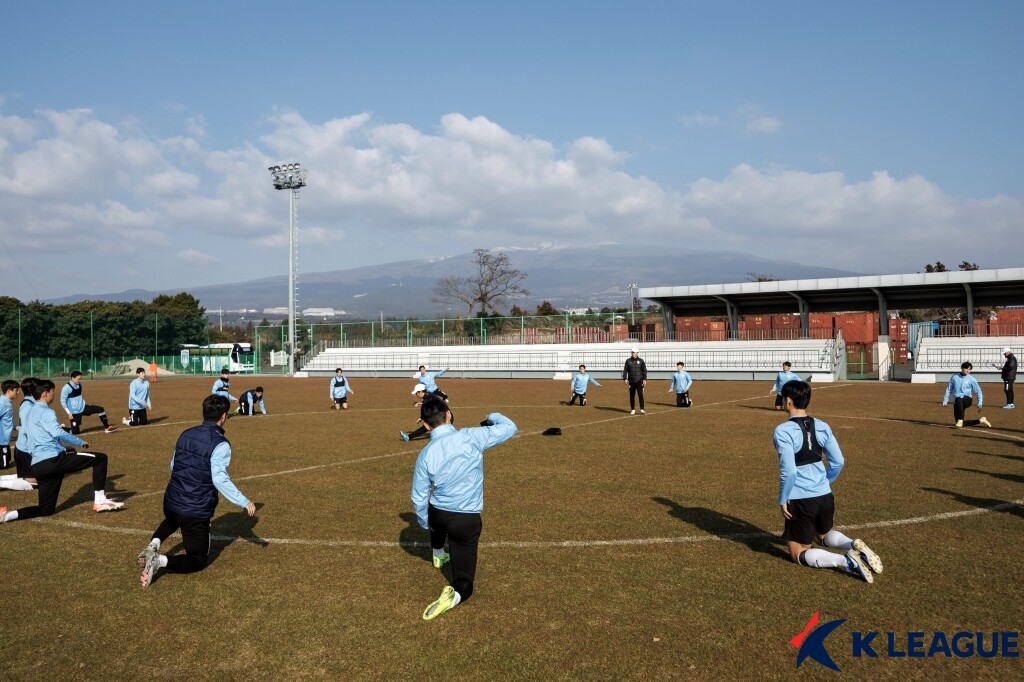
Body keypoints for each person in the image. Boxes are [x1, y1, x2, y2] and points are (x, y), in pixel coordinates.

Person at [411, 396, 517, 620]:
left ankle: (438, 553)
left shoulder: (425, 454)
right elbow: (510, 427)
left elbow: (419, 495)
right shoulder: (471, 436)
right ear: (448, 414)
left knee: (434, 519)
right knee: (465, 581)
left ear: (426, 425)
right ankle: (457, 593)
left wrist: (424, 521)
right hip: (466, 519)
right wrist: (491, 417)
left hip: (438, 514)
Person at [138, 394, 256, 587]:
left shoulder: (186, 433)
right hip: (195, 511)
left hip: (172, 499)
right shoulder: (220, 443)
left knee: (173, 518)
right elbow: (219, 478)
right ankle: (159, 561)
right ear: (224, 416)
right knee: (197, 559)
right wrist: (243, 501)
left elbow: (173, 465)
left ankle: (154, 544)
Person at [774, 380, 882, 583]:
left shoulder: (783, 431)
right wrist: (825, 482)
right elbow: (838, 461)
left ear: (788, 400)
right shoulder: (822, 426)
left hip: (801, 498)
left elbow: (789, 471)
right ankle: (852, 544)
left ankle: (848, 562)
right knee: (822, 535)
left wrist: (783, 499)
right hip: (824, 495)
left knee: (798, 551)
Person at [0, 380, 124, 524]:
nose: (54, 394)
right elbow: (57, 432)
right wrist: (79, 441)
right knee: (100, 458)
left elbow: (33, 435)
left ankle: (6, 516)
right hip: (53, 461)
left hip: (38, 465)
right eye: (53, 391)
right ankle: (100, 501)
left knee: (46, 509)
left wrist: (62, 447)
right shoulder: (46, 411)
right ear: (45, 394)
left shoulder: (30, 412)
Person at [0, 380, 33, 491]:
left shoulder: (7, 401)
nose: (18, 392)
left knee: (7, 461)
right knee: (4, 465)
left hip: (5, 440)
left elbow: (7, 418)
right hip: (2, 440)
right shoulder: (2, 403)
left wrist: (16, 427)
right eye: (16, 390)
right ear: (9, 391)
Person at [942, 362, 991, 429]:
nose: (968, 371)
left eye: (969, 369)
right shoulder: (954, 377)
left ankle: (960, 420)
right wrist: (945, 400)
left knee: (959, 399)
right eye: (966, 369)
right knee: (959, 423)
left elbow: (978, 391)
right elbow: (949, 389)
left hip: (967, 400)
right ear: (962, 368)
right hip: (957, 401)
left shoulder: (971, 379)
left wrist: (980, 403)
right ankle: (981, 420)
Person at [12, 377, 39, 485]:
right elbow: (28, 429)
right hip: (25, 449)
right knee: (34, 482)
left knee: (35, 477)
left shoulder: (32, 403)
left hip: (28, 448)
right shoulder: (27, 406)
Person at [622, 347, 647, 415]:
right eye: (632, 352)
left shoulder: (641, 361)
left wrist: (644, 379)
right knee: (632, 396)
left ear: (637, 353)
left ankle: (642, 409)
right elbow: (625, 371)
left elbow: (644, 370)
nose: (633, 354)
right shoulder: (628, 361)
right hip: (631, 381)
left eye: (635, 352)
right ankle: (633, 409)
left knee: (640, 395)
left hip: (639, 381)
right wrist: (625, 378)